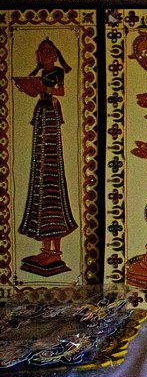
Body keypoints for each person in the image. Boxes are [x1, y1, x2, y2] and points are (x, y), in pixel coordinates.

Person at [18, 39, 77, 276]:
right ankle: (45, 250)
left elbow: (60, 91)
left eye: (48, 53)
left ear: (53, 55)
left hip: (51, 114)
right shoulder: (42, 73)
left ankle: (56, 252)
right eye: (42, 54)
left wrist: (45, 89)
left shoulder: (57, 72)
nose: (45, 57)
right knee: (41, 178)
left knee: (53, 180)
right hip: (42, 114)